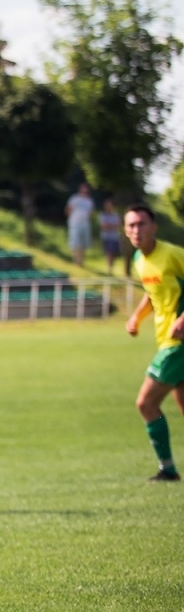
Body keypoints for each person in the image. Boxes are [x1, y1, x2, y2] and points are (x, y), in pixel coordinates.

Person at [121, 205, 183, 482]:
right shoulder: (139, 260)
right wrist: (137, 317)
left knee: (145, 403)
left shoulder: (172, 254)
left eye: (141, 224)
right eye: (131, 225)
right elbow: (152, 293)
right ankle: (168, 469)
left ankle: (167, 468)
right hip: (166, 340)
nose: (136, 230)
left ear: (153, 227)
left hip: (177, 343)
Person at [66, 182, 95, 268]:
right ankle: (76, 261)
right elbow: (68, 209)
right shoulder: (74, 198)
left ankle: (81, 262)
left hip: (85, 224)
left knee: (83, 244)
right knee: (75, 244)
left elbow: (91, 212)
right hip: (75, 224)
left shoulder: (89, 201)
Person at [99, 199, 123, 276]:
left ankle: (111, 269)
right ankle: (109, 269)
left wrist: (109, 226)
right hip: (106, 237)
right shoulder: (102, 215)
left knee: (112, 253)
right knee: (108, 253)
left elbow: (118, 226)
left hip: (114, 237)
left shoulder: (115, 215)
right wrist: (112, 226)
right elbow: (104, 226)